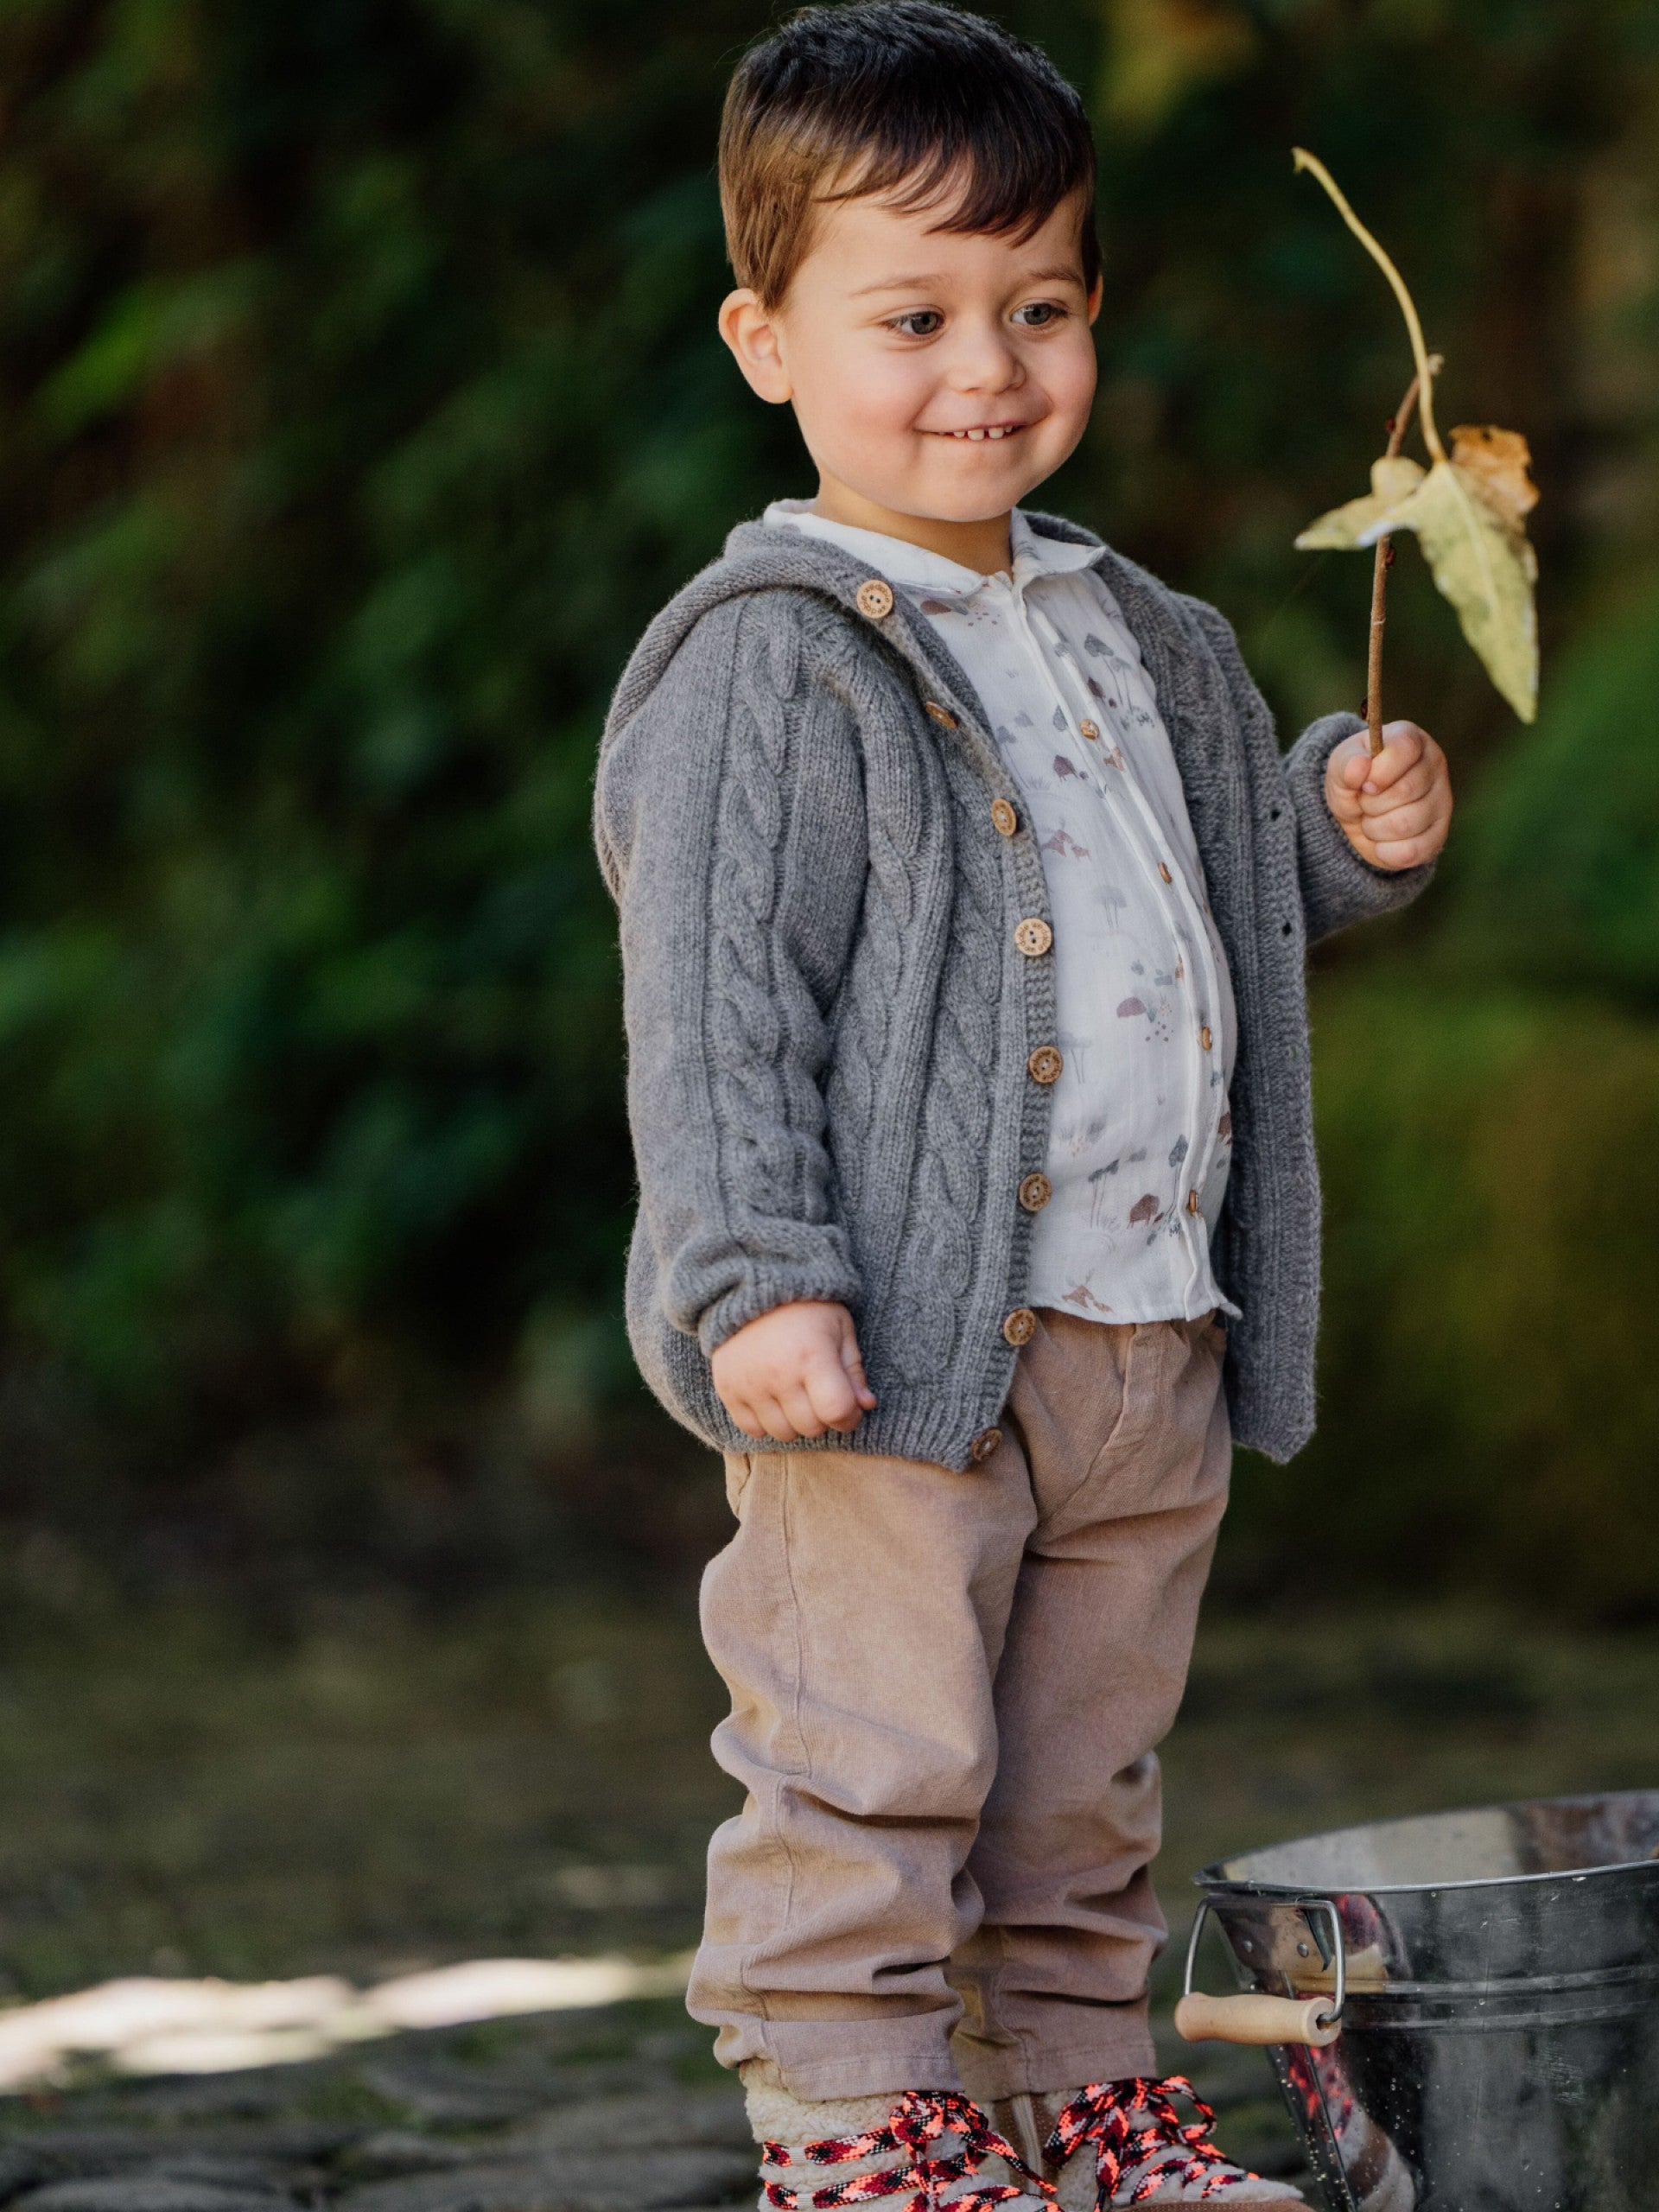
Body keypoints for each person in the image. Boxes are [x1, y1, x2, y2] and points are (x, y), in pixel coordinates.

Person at [593, 6, 1453, 2204]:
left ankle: (1083, 2102)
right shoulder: (771, 657)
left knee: (1082, 1773)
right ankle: (860, 2118)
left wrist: (1333, 834)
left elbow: (1190, 908)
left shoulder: (1139, 631)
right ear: (764, 337)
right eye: (914, 315)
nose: (988, 364)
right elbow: (713, 1009)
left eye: (1039, 303)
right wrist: (752, 1277)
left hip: (1145, 1324)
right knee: (874, 1751)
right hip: (892, 1351)